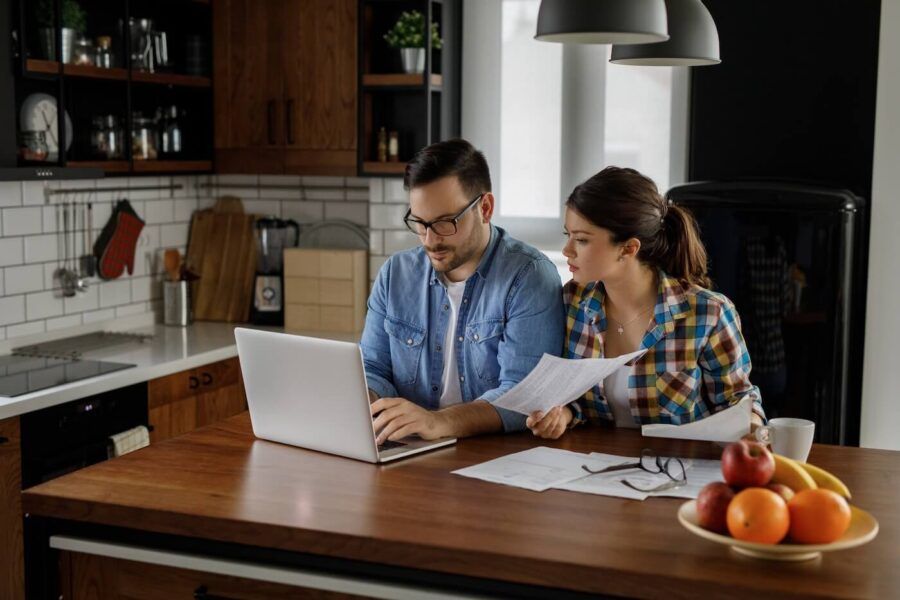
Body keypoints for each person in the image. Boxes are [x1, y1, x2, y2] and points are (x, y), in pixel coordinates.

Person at [527, 166, 764, 439]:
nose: (567, 250)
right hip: (591, 469)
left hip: (679, 470)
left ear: (629, 248)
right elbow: (573, 396)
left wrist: (752, 426)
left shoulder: (708, 314)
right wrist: (564, 414)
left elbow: (739, 403)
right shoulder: (571, 303)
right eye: (567, 235)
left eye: (581, 239)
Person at [362, 139, 564, 444]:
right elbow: (374, 368)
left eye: (445, 223)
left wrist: (436, 422)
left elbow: (522, 395)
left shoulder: (529, 277)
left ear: (484, 208)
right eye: (419, 222)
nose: (430, 240)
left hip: (491, 458)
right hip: (406, 451)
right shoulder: (395, 274)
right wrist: (363, 395)